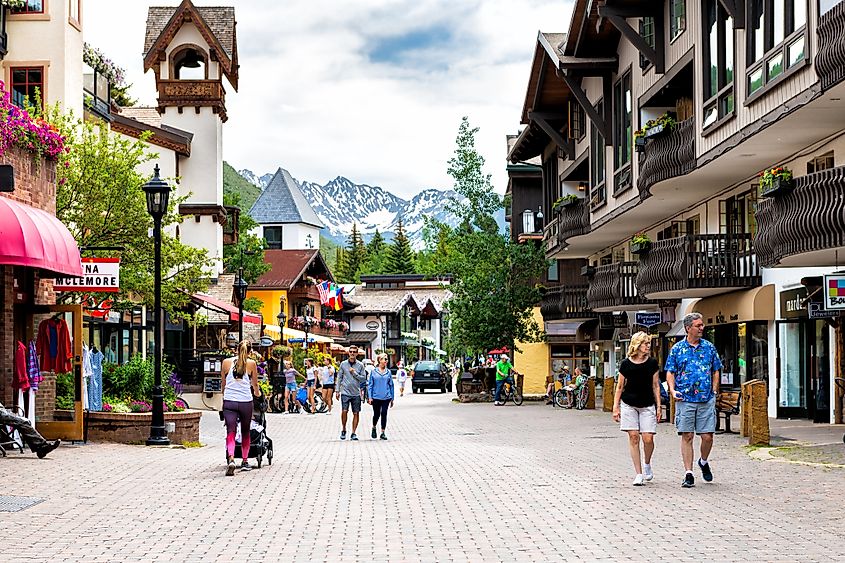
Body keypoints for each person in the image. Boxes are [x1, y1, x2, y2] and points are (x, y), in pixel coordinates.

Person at [666, 312, 722, 488]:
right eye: (698, 325)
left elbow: (716, 369)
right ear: (688, 328)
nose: (702, 328)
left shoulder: (709, 347)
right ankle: (688, 473)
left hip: (706, 398)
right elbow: (670, 372)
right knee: (687, 435)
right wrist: (673, 390)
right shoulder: (677, 349)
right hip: (685, 399)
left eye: (702, 325)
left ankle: (703, 462)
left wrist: (714, 389)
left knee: (707, 437)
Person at [612, 331, 661, 486]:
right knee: (634, 436)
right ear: (637, 345)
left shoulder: (652, 363)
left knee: (648, 438)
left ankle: (647, 463)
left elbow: (655, 386)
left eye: (648, 343)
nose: (648, 346)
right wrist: (616, 407)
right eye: (645, 343)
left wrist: (659, 407)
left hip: (647, 404)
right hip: (629, 404)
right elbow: (620, 386)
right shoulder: (626, 364)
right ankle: (638, 473)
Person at [220, 341, 259, 475]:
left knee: (231, 431)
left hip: (229, 401)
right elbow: (255, 385)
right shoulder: (251, 364)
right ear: (250, 351)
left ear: (236, 349)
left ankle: (231, 458)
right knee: (245, 431)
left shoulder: (226, 362)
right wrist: (258, 394)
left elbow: (223, 385)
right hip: (245, 402)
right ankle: (245, 460)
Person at [336, 345, 367, 440]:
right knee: (344, 411)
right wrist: (337, 390)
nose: (352, 353)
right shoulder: (343, 364)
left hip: (356, 393)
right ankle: (344, 429)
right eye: (351, 352)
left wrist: (355, 373)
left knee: (356, 413)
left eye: (354, 352)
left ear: (357, 354)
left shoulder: (360, 365)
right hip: (345, 391)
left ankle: (353, 433)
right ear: (348, 353)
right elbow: (339, 377)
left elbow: (363, 379)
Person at [368, 353, 395, 440]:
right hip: (376, 397)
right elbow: (370, 385)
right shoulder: (373, 372)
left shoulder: (388, 372)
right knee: (376, 414)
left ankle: (383, 432)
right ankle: (374, 427)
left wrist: (392, 398)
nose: (386, 361)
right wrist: (370, 397)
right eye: (384, 359)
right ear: (379, 360)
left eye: (386, 359)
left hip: (386, 397)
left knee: (384, 413)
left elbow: (391, 385)